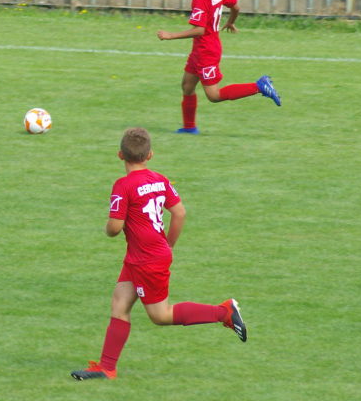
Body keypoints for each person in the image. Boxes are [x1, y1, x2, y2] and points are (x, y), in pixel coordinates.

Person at [70, 127, 246, 381]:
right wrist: (169, 244)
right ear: (150, 155)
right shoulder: (160, 179)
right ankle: (107, 368)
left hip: (146, 260)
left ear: (120, 155)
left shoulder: (123, 185)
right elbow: (179, 212)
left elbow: (115, 228)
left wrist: (107, 229)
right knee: (120, 303)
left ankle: (224, 312)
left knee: (160, 315)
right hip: (142, 256)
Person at [156, 0, 281, 134]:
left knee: (213, 95)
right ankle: (189, 128)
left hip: (206, 52)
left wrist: (170, 35)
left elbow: (199, 30)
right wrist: (231, 22)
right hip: (201, 50)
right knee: (187, 86)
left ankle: (259, 86)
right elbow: (236, 6)